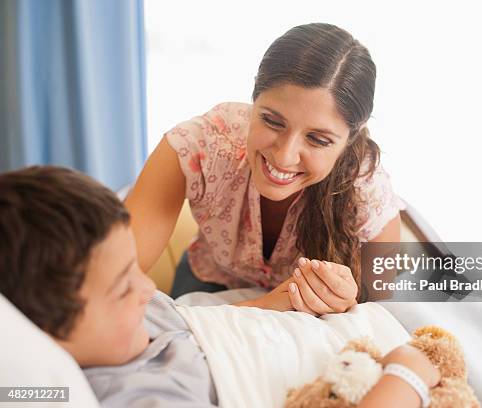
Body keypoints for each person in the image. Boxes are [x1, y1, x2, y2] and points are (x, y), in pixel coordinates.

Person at [0, 165, 439, 407]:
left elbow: (204, 322)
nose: (146, 286)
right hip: (405, 373)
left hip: (363, 327)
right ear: (47, 336)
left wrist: (285, 298)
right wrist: (405, 378)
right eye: (120, 289)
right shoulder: (138, 397)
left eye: (135, 266)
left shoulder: (136, 314)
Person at [125, 23, 405, 312]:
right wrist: (268, 305)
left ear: (349, 139)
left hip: (304, 311)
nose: (284, 157)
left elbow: (378, 297)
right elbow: (116, 277)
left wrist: (353, 295)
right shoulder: (199, 145)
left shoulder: (366, 188)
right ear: (254, 99)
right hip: (209, 282)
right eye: (272, 121)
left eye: (318, 139)